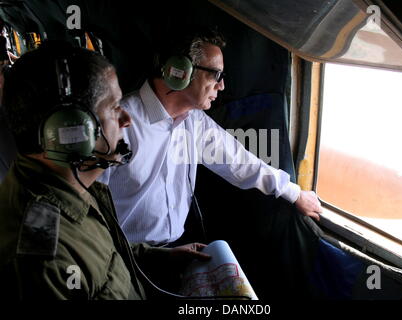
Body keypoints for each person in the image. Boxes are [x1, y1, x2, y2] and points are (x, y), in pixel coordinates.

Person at [0, 41, 210, 300]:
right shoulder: (44, 258)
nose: (127, 119)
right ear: (69, 132)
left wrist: (160, 257)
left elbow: (98, 252)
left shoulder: (71, 186)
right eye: (113, 108)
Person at [99, 28, 323, 246]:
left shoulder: (194, 122)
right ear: (180, 71)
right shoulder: (119, 123)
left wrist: (294, 193)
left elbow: (238, 162)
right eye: (216, 74)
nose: (222, 85)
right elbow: (90, 201)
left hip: (175, 249)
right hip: (124, 255)